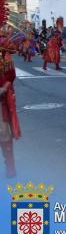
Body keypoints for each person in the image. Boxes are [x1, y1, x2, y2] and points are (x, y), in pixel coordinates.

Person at [0, 25, 19, 178]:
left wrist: (4, 88)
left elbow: (10, 75)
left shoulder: (3, 49)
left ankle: (10, 164)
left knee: (3, 133)